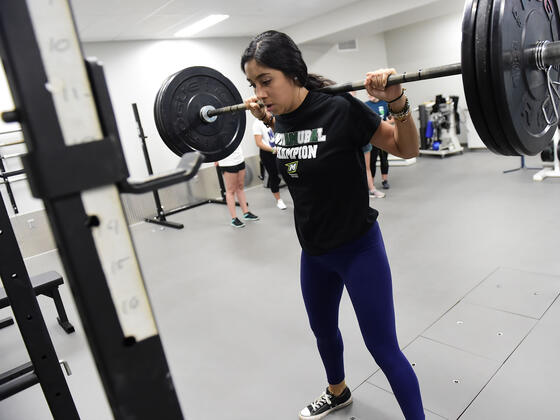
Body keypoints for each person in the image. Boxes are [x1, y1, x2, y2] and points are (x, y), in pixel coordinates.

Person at [242, 31, 424, 420]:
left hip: (358, 249)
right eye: (253, 84)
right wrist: (267, 119)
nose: (259, 91)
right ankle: (338, 393)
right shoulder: (281, 118)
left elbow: (406, 149)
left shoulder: (341, 108)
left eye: (265, 80)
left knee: (382, 348)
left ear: (292, 74)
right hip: (314, 252)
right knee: (324, 332)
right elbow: (295, 147)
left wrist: (396, 101)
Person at [216, 144, 259, 228]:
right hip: (227, 162)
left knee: (240, 187)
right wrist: (216, 158)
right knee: (231, 190)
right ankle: (234, 218)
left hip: (239, 159)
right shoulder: (218, 131)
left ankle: (246, 213)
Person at [252, 118, 287, 210]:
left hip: (281, 150)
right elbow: (258, 143)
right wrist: (273, 150)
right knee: (273, 176)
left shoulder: (275, 118)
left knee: (289, 173)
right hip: (268, 153)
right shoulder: (257, 123)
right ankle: (279, 200)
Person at [365, 95, 391, 191]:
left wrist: (385, 124)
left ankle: (385, 181)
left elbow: (391, 118)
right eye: (368, 94)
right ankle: (371, 183)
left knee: (384, 160)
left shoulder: (384, 104)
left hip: (384, 137)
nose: (369, 95)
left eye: (371, 93)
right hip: (372, 138)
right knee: (372, 161)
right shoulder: (366, 105)